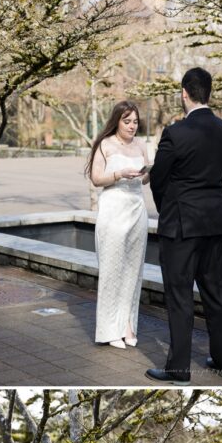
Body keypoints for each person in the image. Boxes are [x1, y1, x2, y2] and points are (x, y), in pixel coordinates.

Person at [146, 67, 222, 385]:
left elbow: (158, 178)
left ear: (184, 93)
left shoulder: (175, 132)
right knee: (216, 292)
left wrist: (167, 210)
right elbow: (221, 171)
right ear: (208, 93)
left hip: (182, 225)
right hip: (216, 221)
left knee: (180, 295)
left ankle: (178, 370)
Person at [86, 101, 150, 350]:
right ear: (117, 121)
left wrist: (146, 173)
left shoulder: (142, 145)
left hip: (136, 210)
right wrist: (119, 174)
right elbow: (96, 178)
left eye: (135, 121)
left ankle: (127, 325)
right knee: (112, 271)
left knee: (133, 271)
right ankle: (108, 329)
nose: (132, 126)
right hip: (113, 210)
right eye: (127, 121)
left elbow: (145, 181)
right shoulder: (105, 144)